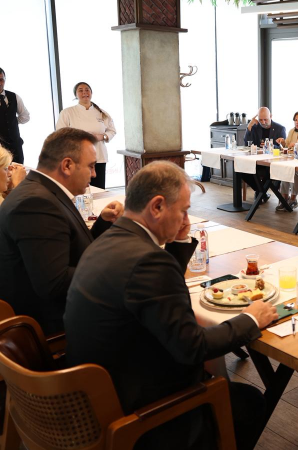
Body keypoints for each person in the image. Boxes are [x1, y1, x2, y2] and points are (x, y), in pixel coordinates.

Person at [64, 161, 276, 450]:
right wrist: (250, 319)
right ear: (157, 206)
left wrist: (179, 239)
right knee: (249, 402)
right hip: (140, 414)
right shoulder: (149, 262)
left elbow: (158, 291)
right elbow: (193, 347)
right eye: (184, 210)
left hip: (92, 393)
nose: (186, 218)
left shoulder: (108, 239)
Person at [0, 128, 123, 334]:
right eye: (91, 166)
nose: (94, 174)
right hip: (53, 326)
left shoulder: (42, 190)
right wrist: (116, 267)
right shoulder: (35, 202)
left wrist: (103, 222)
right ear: (67, 165)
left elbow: (71, 250)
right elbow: (54, 283)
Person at [56, 82, 116, 189]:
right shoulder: (67, 112)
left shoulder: (102, 113)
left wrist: (101, 137)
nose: (84, 92)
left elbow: (112, 130)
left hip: (99, 157)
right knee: (79, 189)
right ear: (75, 95)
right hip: (77, 158)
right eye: (80, 90)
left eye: (87, 90)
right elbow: (60, 133)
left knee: (99, 189)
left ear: (91, 93)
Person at [0, 67, 31, 164]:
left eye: (1, 79)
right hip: (0, 149)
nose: (0, 83)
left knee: (18, 170)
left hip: (16, 147)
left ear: (5, 80)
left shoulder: (14, 96)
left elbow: (25, 116)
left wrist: (13, 121)